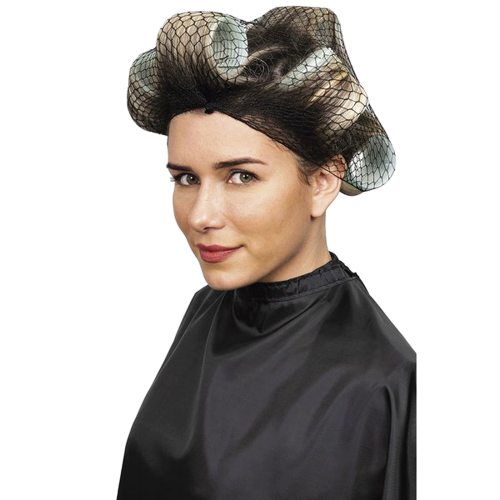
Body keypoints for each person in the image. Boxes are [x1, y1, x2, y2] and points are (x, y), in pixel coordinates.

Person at [119, 6, 416, 499]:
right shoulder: (206, 307)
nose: (201, 216)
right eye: (185, 178)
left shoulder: (383, 380)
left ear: (323, 181)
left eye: (241, 176)